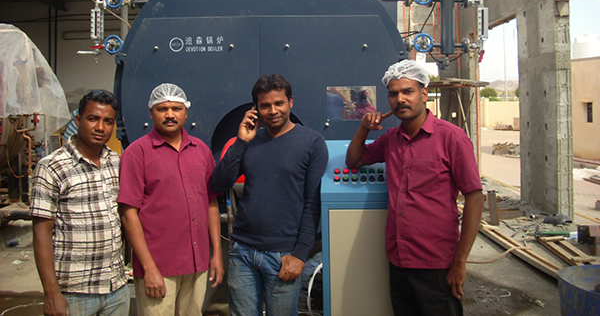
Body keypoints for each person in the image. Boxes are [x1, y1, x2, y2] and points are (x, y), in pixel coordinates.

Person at [346, 60, 484, 316]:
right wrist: (364, 128)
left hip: (436, 262)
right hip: (399, 259)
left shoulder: (451, 137)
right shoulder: (391, 140)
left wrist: (460, 261)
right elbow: (354, 160)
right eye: (393, 94)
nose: (400, 99)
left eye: (408, 91)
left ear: (424, 94)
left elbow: (475, 197)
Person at [212, 73, 328, 316]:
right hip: (243, 252)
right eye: (265, 105)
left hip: (284, 254)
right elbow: (219, 183)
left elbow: (312, 202)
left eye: (279, 103)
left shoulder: (312, 142)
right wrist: (241, 142)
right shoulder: (249, 141)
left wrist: (299, 255)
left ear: (290, 102)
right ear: (256, 108)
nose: (273, 111)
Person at [118, 83, 224, 316]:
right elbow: (128, 214)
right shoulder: (137, 153)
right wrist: (148, 268)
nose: (169, 115)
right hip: (159, 266)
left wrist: (216, 254)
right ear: (151, 113)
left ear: (186, 112)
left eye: (176, 109)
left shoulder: (201, 150)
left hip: (197, 264)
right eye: (162, 109)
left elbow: (210, 204)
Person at [30, 89, 129, 316]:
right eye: (93, 118)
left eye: (108, 121)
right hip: (74, 292)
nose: (100, 127)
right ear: (78, 120)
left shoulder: (116, 163)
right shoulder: (51, 167)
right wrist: (51, 293)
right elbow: (41, 233)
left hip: (116, 288)